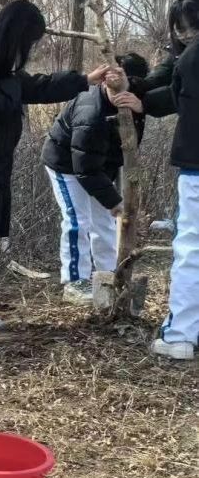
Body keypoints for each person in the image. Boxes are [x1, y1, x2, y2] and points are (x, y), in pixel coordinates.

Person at [0, 1, 111, 349]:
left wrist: (82, 81)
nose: (28, 53)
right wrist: (16, 83)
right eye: (28, 43)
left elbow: (35, 87)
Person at [40, 54, 146, 302]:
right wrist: (114, 201)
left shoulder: (133, 102)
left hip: (98, 167)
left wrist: (139, 112)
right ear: (106, 82)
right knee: (78, 220)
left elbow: (126, 147)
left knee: (104, 221)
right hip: (67, 164)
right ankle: (75, 280)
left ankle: (108, 275)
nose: (125, 96)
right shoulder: (90, 112)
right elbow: (84, 168)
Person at [153, 0, 199, 360]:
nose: (185, 35)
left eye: (190, 27)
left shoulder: (190, 59)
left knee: (191, 249)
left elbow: (175, 95)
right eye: (180, 29)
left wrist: (138, 97)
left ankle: (180, 334)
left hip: (196, 165)